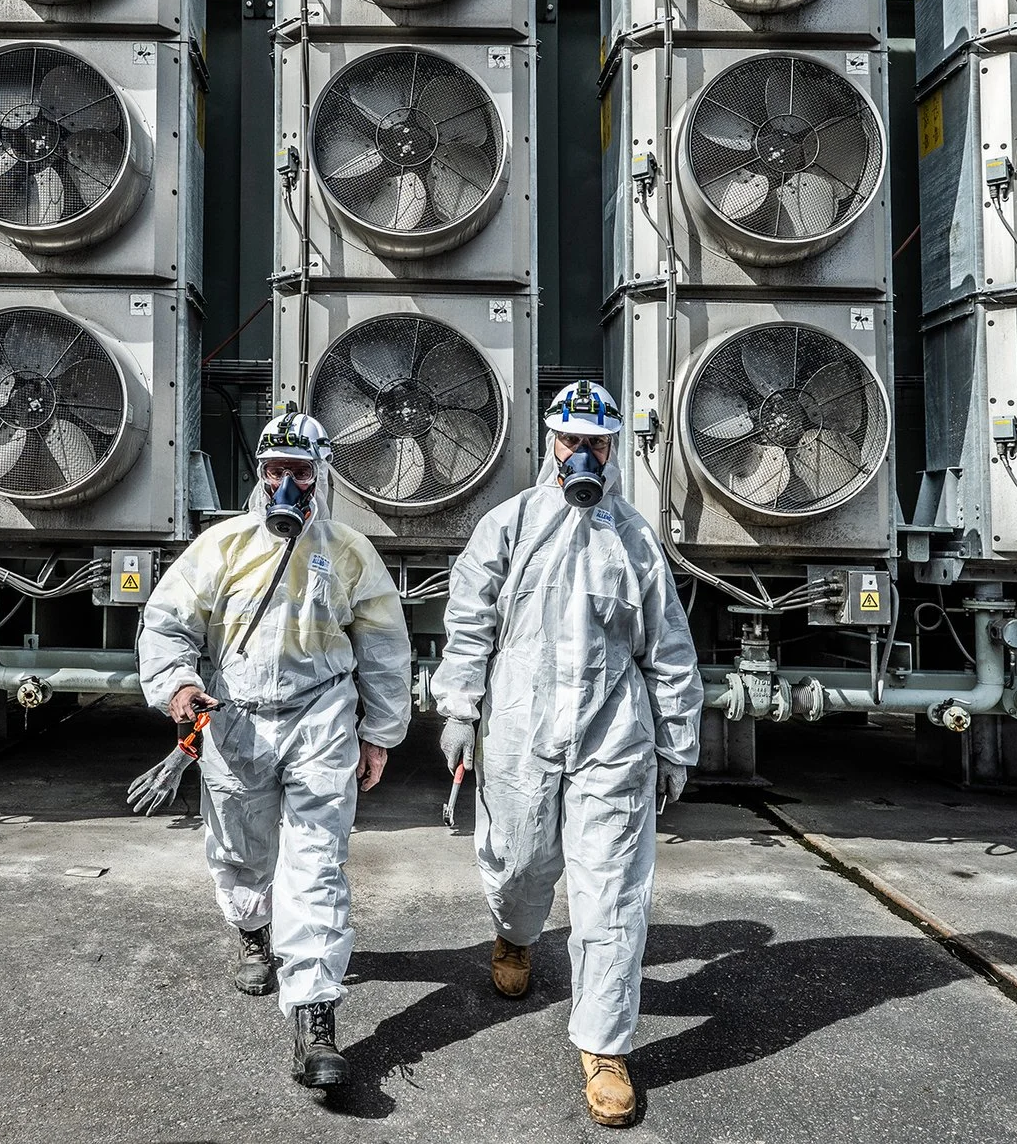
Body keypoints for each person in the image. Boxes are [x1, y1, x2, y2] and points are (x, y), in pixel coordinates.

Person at [431, 381, 703, 1128]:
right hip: (520, 727)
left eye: (598, 444)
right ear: (549, 442)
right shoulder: (509, 525)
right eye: (570, 440)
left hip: (614, 735)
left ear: (614, 449)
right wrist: (458, 707)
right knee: (519, 861)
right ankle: (516, 933)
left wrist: (677, 741)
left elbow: (669, 647)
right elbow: (468, 624)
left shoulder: (636, 538)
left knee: (612, 893)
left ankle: (605, 1047)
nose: (584, 454)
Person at [136, 411, 412, 1091]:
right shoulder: (221, 547)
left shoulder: (350, 552)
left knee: (316, 867)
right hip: (235, 723)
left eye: (301, 473)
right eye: (275, 471)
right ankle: (253, 930)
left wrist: (378, 732)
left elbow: (382, 647)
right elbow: (167, 621)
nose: (286, 485)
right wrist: (179, 685)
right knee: (239, 852)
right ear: (260, 474)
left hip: (320, 719)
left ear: (323, 477)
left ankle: (315, 1015)